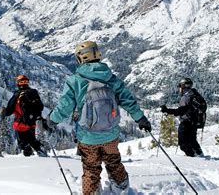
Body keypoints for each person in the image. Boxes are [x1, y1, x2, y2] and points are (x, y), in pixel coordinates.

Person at [46, 40, 152, 194]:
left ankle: (93, 192)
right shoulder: (111, 78)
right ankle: (121, 189)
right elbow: (128, 101)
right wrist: (141, 119)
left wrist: (50, 120)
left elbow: (64, 107)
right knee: (114, 163)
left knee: (91, 169)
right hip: (110, 135)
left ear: (81, 58)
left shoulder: (75, 81)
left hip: (87, 138)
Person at [0, 75, 47, 157]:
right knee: (32, 140)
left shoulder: (17, 95)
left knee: (23, 144)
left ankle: (27, 162)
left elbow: (9, 111)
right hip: (32, 123)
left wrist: (3, 112)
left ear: (18, 83)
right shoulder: (33, 92)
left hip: (20, 124)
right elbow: (41, 107)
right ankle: (41, 152)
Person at [160, 78, 204, 157]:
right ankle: (200, 155)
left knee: (183, 144)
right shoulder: (194, 94)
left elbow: (181, 110)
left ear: (184, 86)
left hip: (186, 122)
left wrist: (167, 110)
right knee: (192, 140)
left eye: (180, 86)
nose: (179, 88)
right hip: (194, 122)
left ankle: (193, 157)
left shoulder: (186, 97)